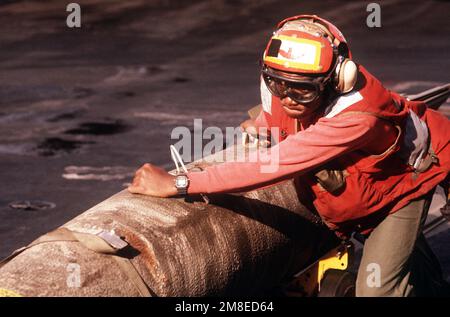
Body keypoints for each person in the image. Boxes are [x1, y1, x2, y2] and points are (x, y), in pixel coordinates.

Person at [128, 15, 449, 296]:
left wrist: (179, 183)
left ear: (337, 81)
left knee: (376, 288)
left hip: (403, 185)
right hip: (369, 179)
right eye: (277, 84)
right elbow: (281, 110)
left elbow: (275, 164)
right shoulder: (286, 79)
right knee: (405, 261)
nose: (287, 98)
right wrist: (264, 123)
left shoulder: (357, 118)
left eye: (302, 90)